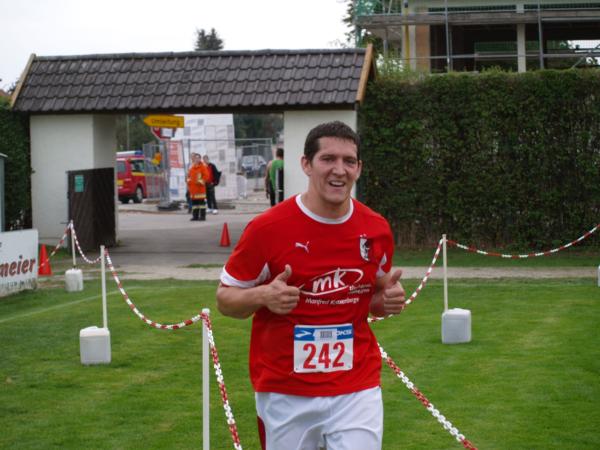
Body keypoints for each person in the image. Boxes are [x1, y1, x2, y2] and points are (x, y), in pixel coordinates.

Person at [216, 121, 406, 450]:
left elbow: (371, 294)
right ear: (306, 164)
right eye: (328, 159)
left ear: (359, 169)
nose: (339, 170)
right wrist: (263, 295)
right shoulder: (267, 229)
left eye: (349, 161)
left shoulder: (376, 229)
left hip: (356, 385)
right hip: (285, 389)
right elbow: (224, 299)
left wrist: (386, 300)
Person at [187, 153, 209, 221]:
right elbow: (188, 176)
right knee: (194, 204)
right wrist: (188, 181)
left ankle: (202, 217)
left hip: (200, 189)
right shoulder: (192, 168)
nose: (196, 159)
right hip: (193, 190)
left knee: (201, 204)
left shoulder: (203, 167)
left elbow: (206, 176)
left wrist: (200, 181)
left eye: (198, 158)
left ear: (200, 159)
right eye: (195, 158)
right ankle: (195, 216)